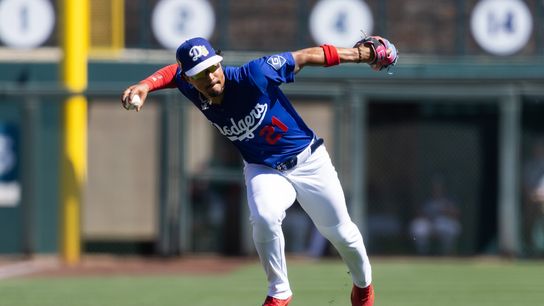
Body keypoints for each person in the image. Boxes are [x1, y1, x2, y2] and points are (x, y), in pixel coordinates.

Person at [121, 36, 397, 306]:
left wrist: (361, 55)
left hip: (309, 162)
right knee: (264, 217)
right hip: (263, 167)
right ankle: (279, 292)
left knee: (342, 234)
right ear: (189, 79)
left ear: (220, 62)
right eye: (200, 74)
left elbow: (305, 56)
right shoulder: (189, 85)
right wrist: (146, 85)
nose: (211, 77)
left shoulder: (253, 74)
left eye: (212, 67)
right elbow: (172, 72)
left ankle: (363, 287)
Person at [410, 175, 461, 255]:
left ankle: (447, 254)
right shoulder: (427, 200)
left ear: (444, 188)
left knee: (453, 227)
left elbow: (456, 214)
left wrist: (446, 211)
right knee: (417, 226)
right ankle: (422, 254)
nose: (437, 189)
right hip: (429, 223)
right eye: (435, 187)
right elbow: (419, 214)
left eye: (439, 187)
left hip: (443, 223)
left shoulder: (448, 200)